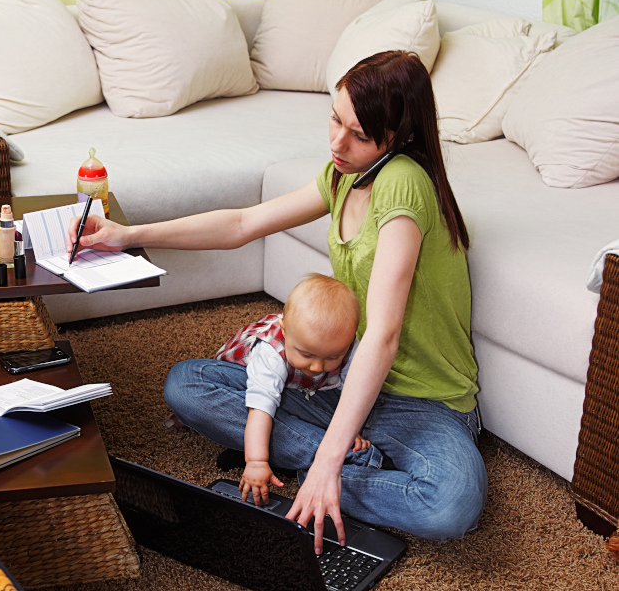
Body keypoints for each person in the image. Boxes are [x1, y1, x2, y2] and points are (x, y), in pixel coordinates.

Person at [65, 50, 486, 553]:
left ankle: (323, 466)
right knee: (187, 385)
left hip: (422, 401)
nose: (337, 142)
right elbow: (242, 224)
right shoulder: (345, 174)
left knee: (451, 505)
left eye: (360, 135)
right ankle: (350, 463)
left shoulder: (403, 185)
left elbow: (384, 335)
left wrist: (327, 459)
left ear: (401, 135)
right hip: (339, 381)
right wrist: (127, 233)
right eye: (335, 119)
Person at [211, 273, 375, 508]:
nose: (317, 367)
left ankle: (291, 452)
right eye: (307, 354)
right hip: (244, 382)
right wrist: (256, 461)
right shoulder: (270, 353)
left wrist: (351, 430)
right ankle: (260, 450)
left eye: (333, 357)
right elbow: (260, 411)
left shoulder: (352, 349)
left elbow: (355, 395)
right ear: (285, 330)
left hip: (307, 391)